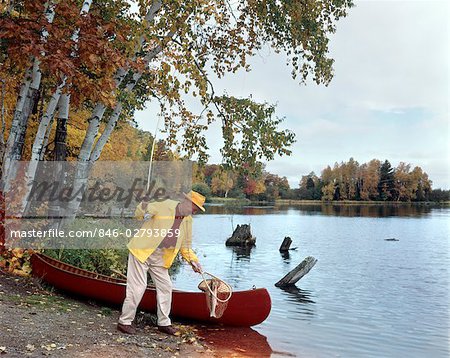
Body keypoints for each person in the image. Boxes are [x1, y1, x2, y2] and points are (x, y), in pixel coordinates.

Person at [117, 191, 205, 335]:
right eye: (194, 209)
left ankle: (163, 323)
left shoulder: (188, 221)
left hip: (161, 257)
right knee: (138, 286)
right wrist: (143, 205)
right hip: (142, 251)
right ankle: (124, 321)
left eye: (196, 211)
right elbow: (139, 214)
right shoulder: (164, 206)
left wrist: (194, 261)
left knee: (166, 287)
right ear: (187, 202)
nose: (194, 212)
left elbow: (185, 246)